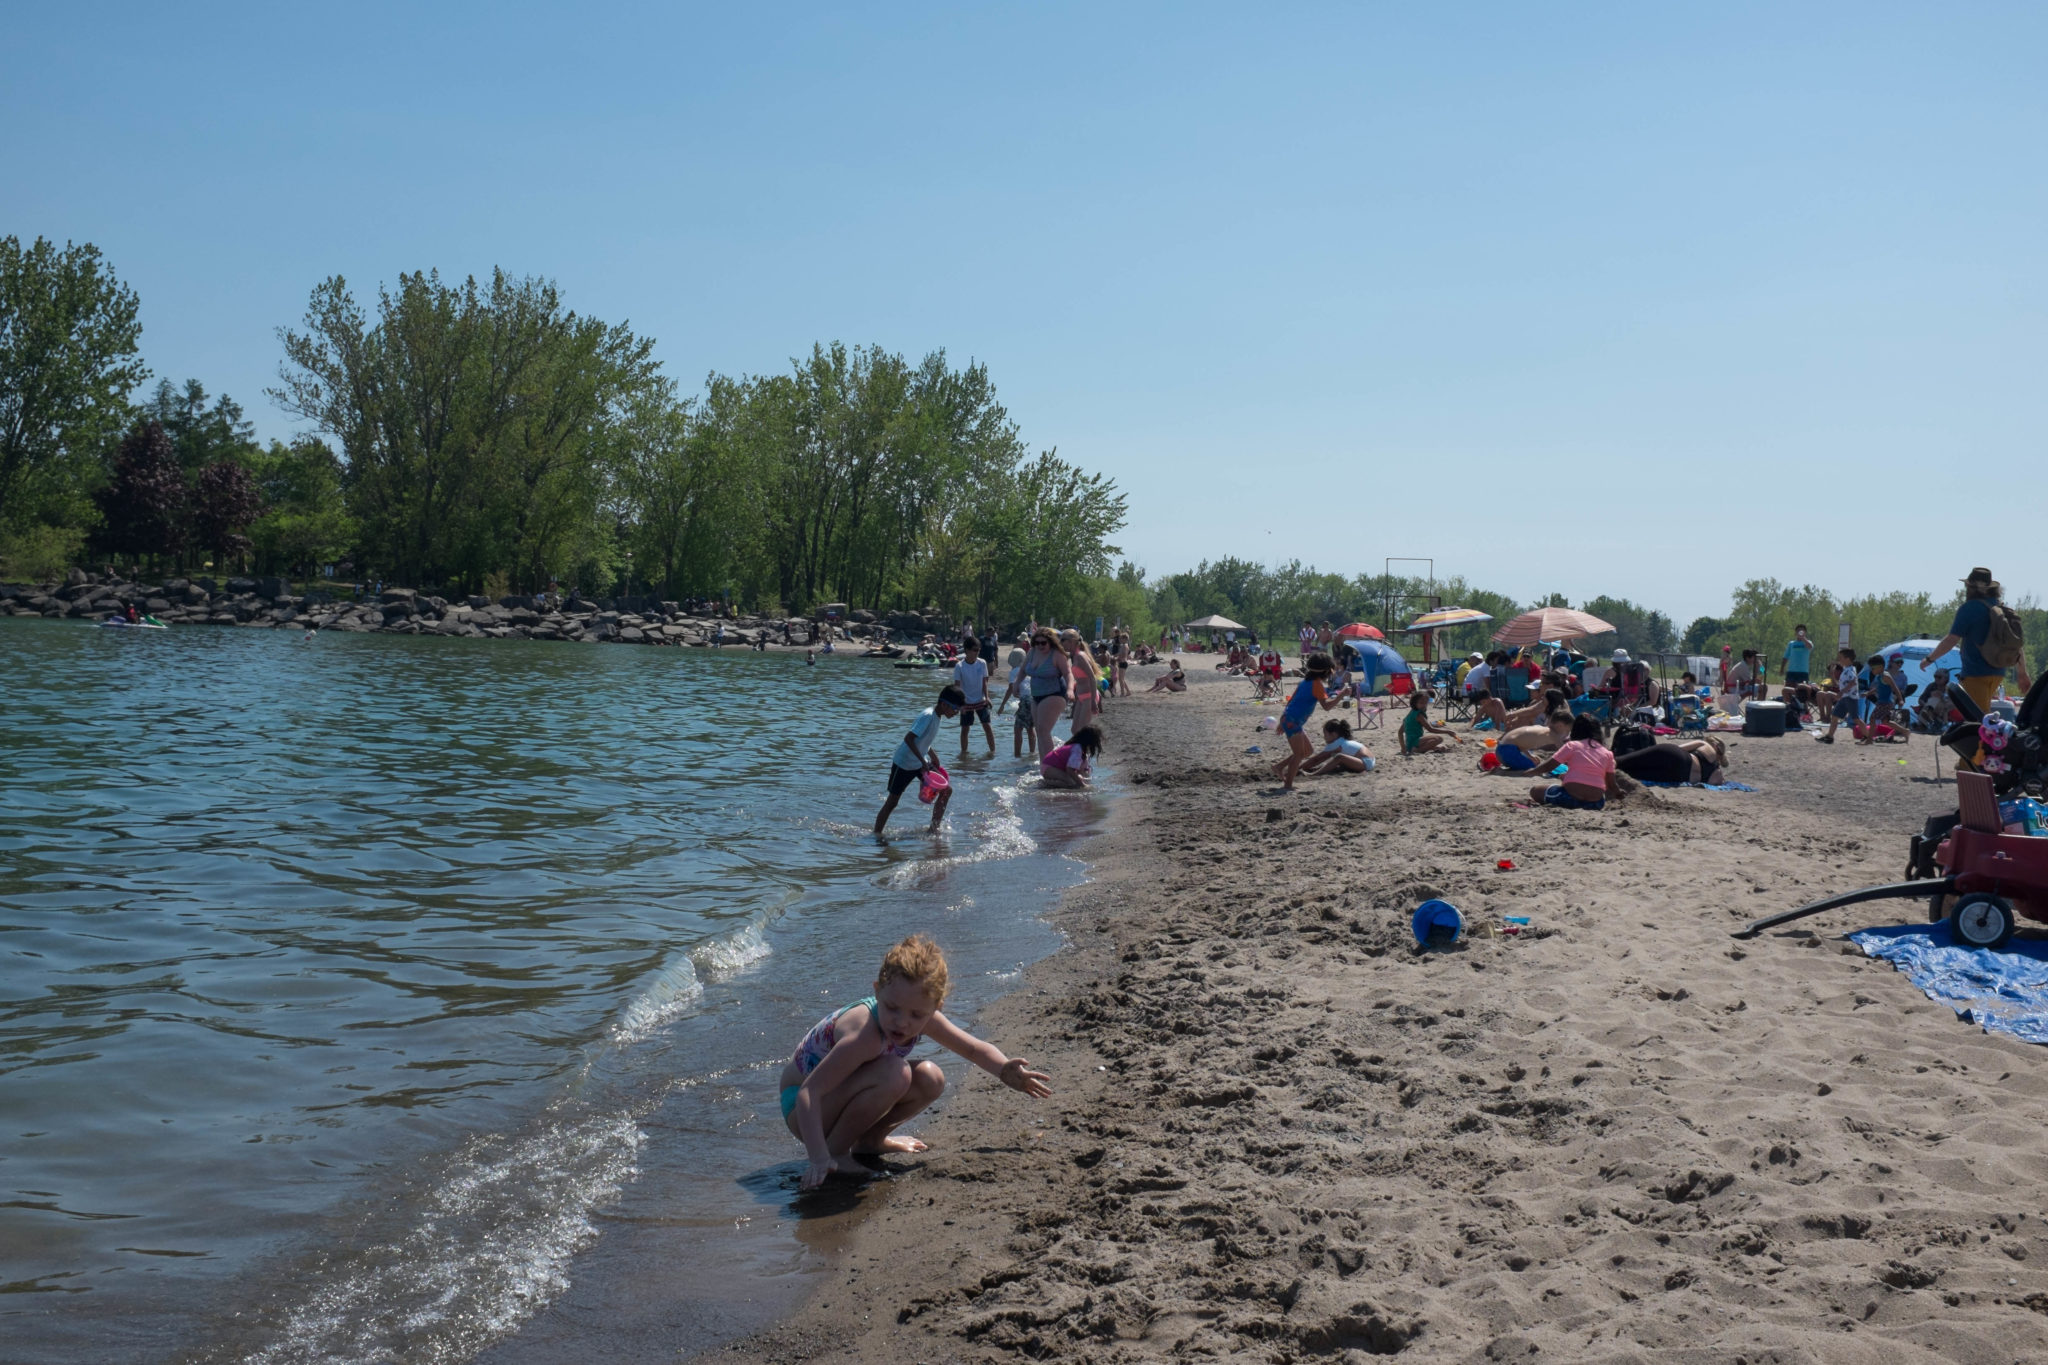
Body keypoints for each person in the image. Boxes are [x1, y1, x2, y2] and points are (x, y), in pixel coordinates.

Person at [783, 935, 1051, 1189]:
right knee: (895, 1073)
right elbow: (810, 1091)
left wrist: (1005, 1070)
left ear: (936, 1008)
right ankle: (837, 1152)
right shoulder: (863, 1036)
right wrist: (818, 1156)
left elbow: (973, 1049)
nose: (902, 1022)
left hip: (836, 1094)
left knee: (930, 1078)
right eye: (892, 1008)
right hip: (802, 1110)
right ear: (877, 992)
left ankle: (871, 1142)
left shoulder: (924, 1017)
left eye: (915, 1014)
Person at [1926, 567, 2021, 721]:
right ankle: (1986, 743)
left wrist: (1929, 659)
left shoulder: (1969, 608)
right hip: (1997, 672)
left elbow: (1951, 639)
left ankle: (1984, 745)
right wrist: (2022, 672)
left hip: (1976, 672)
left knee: (1978, 719)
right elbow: (2014, 641)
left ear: (1971, 588)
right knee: (1983, 714)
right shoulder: (1998, 607)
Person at [876, 686, 962, 834]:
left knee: (946, 790)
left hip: (920, 761)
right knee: (892, 802)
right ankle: (876, 835)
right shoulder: (928, 716)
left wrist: (933, 756)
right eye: (955, 709)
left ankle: (933, 829)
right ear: (944, 704)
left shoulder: (937, 717)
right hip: (903, 763)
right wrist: (923, 762)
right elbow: (909, 739)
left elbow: (923, 740)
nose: (956, 713)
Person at [1272, 653, 1349, 790]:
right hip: (1292, 721)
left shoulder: (1306, 681)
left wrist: (1282, 721)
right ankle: (1288, 784)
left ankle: (1279, 766)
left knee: (1307, 751)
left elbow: (1292, 700)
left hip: (1290, 719)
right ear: (1326, 671)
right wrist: (1342, 694)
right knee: (1299, 754)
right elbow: (1326, 707)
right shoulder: (1317, 685)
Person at [1531, 713, 1622, 809]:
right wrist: (1618, 793)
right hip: (1596, 803)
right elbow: (1611, 784)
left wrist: (1531, 772)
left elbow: (1550, 765)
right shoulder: (1608, 754)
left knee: (1535, 790)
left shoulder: (1572, 745)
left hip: (1570, 798)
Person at [1017, 630, 1071, 756]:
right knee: (1040, 731)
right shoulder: (1032, 652)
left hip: (1055, 694)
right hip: (1036, 696)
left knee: (1043, 730)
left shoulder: (1057, 655)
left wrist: (1070, 689)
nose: (1040, 646)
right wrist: (1016, 683)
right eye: (1036, 643)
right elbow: (1023, 670)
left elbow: (1068, 674)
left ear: (1050, 642)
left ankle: (1050, 764)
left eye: (1043, 643)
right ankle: (1044, 766)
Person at [1615, 735, 1728, 786]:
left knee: (1624, 761)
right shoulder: (1718, 776)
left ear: (1715, 745)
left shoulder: (1705, 745)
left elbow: (1680, 748)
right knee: (1631, 774)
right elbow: (1716, 785)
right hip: (1678, 776)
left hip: (1678, 757)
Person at [950, 638, 996, 757]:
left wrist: (987, 697)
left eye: (978, 650)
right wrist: (960, 705)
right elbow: (957, 687)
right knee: (965, 729)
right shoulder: (959, 666)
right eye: (975, 650)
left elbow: (985, 682)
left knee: (987, 727)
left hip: (981, 700)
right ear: (967, 650)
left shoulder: (982, 663)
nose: (977, 653)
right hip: (966, 702)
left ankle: (993, 752)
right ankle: (964, 755)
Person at [1493, 711, 1573, 772]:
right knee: (1533, 765)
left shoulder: (1540, 728)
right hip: (1507, 752)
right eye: (1567, 731)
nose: (1567, 734)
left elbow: (1521, 743)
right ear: (1560, 726)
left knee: (1534, 761)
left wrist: (1530, 756)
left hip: (1500, 749)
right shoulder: (1553, 734)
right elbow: (1564, 752)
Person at [1300, 717, 1375, 776]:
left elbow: (1316, 759)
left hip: (1365, 762)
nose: (1324, 737)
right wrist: (1305, 767)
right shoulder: (1342, 740)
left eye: (1325, 734)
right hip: (1370, 760)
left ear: (1334, 734)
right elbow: (1320, 759)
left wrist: (1298, 768)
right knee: (1336, 761)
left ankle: (1314, 774)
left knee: (1339, 757)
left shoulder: (1335, 744)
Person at [1816, 647, 1861, 744]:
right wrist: (1832, 674)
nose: (1838, 659)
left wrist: (1841, 692)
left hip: (1850, 698)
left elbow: (1853, 682)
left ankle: (1868, 736)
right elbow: (1838, 684)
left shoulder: (1850, 670)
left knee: (1856, 718)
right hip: (1844, 697)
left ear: (1847, 659)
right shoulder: (1845, 670)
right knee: (1835, 716)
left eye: (1840, 657)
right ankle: (1829, 736)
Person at [1061, 629, 1103, 728]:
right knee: (1075, 730)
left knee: (1082, 730)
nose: (1061, 642)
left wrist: (1093, 701)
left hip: (1089, 696)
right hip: (1080, 696)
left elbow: (1092, 677)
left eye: (1062, 640)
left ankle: (1092, 743)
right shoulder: (1074, 656)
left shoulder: (1080, 656)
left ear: (1071, 641)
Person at [1040, 723, 1102, 790]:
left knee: (1077, 780)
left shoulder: (1078, 748)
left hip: (1051, 767)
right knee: (1071, 783)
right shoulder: (1077, 749)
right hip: (1049, 767)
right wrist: (1082, 785)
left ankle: (1051, 783)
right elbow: (1070, 770)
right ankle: (1046, 784)